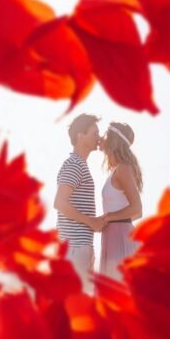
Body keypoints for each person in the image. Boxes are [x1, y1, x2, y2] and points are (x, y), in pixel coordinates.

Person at [54, 113, 104, 288]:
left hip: (79, 247)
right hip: (73, 248)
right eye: (95, 133)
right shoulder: (74, 164)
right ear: (80, 136)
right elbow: (59, 203)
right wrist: (91, 221)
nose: (99, 137)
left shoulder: (80, 164)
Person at [95, 121, 143, 281]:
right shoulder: (117, 170)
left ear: (113, 139)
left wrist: (108, 218)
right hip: (113, 233)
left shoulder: (123, 169)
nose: (101, 138)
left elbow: (137, 209)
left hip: (120, 236)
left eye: (105, 134)